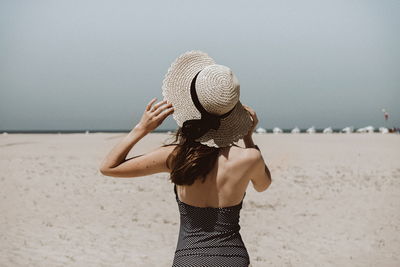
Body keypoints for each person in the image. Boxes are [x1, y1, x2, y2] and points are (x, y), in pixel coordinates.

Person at [99, 51, 272, 267]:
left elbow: (108, 167)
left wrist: (141, 128)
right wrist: (248, 137)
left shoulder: (176, 156)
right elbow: (263, 185)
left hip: (189, 260)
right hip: (233, 259)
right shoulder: (249, 158)